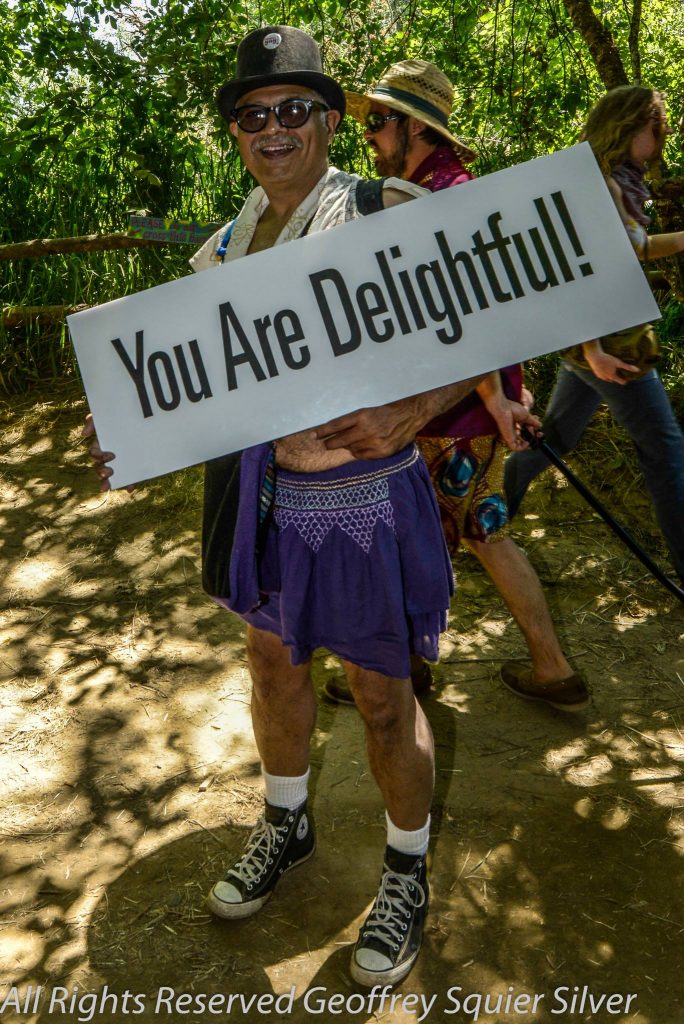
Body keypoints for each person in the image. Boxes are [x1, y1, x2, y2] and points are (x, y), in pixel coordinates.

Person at [85, 26, 492, 988]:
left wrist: (422, 406)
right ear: (237, 134)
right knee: (271, 668)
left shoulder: (383, 210)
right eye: (254, 115)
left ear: (328, 119)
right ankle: (287, 821)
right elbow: (187, 386)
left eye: (294, 110)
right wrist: (134, 438)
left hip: (360, 502)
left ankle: (404, 868)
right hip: (265, 499)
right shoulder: (227, 247)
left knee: (386, 699)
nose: (274, 129)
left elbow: (488, 323)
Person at [321, 59, 589, 714]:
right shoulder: (436, 189)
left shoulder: (443, 196)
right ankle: (416, 663)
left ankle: (542, 666)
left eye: (381, 122)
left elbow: (479, 309)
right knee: (450, 534)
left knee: (471, 535)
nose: (371, 136)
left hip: (454, 409)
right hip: (456, 405)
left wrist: (498, 399)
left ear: (417, 130)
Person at [504, 86, 684, 587]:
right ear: (628, 128)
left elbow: (636, 248)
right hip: (612, 343)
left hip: (604, 340)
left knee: (555, 439)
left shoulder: (619, 183)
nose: (664, 134)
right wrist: (594, 351)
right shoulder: (599, 184)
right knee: (666, 452)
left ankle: (489, 516)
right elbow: (578, 270)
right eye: (657, 126)